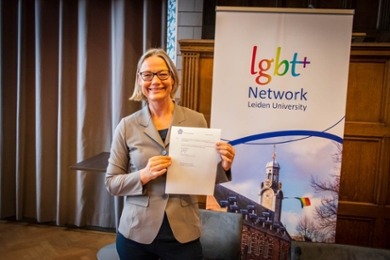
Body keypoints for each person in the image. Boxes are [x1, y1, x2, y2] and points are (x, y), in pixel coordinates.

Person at [105, 48, 235, 260]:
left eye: (162, 74)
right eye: (147, 75)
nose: (155, 81)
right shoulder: (127, 126)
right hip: (136, 235)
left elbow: (205, 179)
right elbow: (111, 183)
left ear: (173, 78)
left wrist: (225, 167)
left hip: (183, 235)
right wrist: (143, 175)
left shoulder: (196, 120)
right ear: (140, 80)